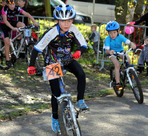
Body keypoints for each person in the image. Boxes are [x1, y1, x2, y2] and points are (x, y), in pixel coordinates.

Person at [27, 4, 89, 133]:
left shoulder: (73, 29)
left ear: (72, 20)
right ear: (57, 21)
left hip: (67, 60)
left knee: (81, 74)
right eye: (63, 21)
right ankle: (55, 118)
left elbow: (83, 44)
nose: (66, 24)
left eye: (69, 20)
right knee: (56, 94)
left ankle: (80, 101)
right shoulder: (52, 32)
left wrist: (79, 52)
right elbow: (37, 48)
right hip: (52, 63)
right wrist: (31, 65)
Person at [0, 0, 38, 67]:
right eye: (11, 5)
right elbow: (5, 21)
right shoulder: (4, 9)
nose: (12, 6)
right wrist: (13, 28)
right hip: (2, 25)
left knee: (22, 24)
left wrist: (34, 21)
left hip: (11, 22)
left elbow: (26, 14)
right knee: (7, 42)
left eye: (13, 4)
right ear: (8, 5)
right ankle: (7, 60)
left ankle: (18, 38)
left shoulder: (17, 8)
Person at [105, 20, 136, 90]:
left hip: (120, 51)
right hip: (111, 53)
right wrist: (109, 52)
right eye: (110, 33)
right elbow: (107, 51)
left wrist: (132, 44)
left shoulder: (120, 36)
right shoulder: (108, 39)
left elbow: (128, 42)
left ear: (118, 31)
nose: (112, 35)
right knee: (117, 64)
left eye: (114, 32)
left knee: (128, 58)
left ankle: (128, 74)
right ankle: (118, 83)